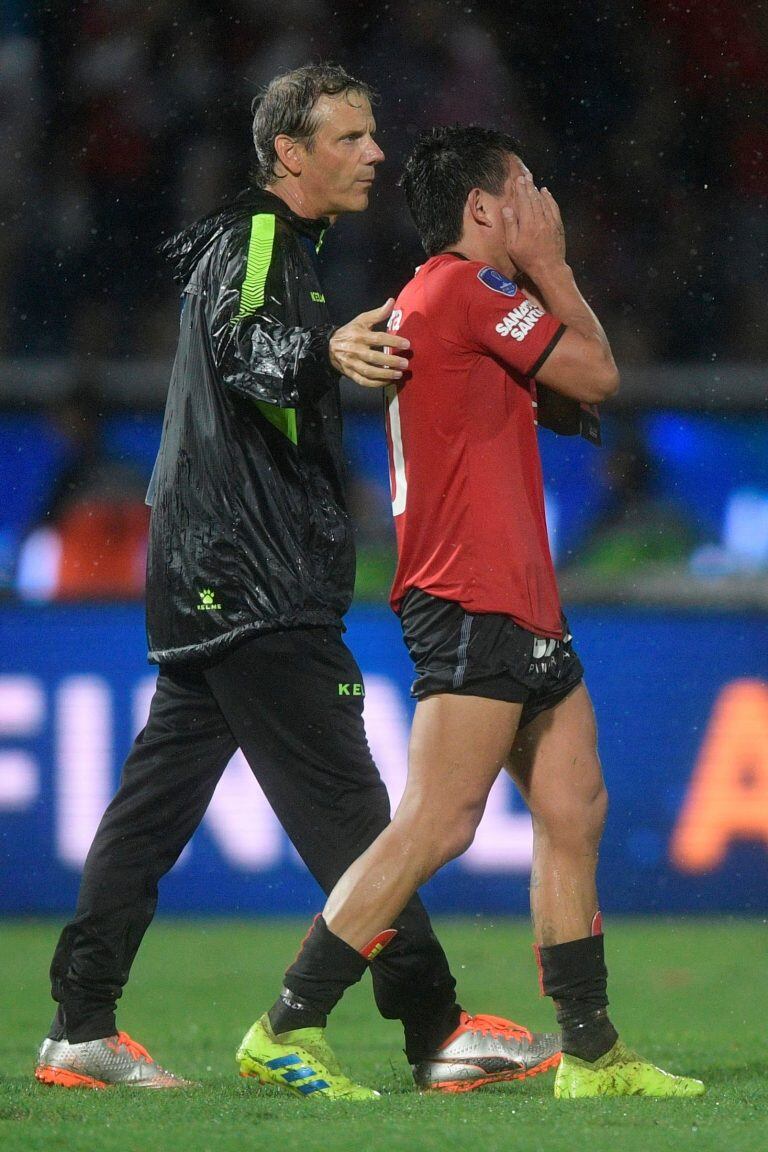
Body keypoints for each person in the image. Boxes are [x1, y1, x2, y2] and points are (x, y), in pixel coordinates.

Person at [35, 69, 560, 1098]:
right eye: (353, 137)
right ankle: (436, 1026)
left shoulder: (275, 246)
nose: (374, 153)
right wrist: (322, 349)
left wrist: (318, 355)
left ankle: (78, 1028)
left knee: (150, 815)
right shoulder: (261, 236)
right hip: (253, 581)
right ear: (291, 152)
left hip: (209, 576)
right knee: (356, 817)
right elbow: (248, 348)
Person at [250, 126, 706, 1100]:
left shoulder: (448, 305)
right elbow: (596, 374)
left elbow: (552, 399)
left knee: (574, 810)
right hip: (471, 597)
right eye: (528, 190)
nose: (542, 206)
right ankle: (288, 1021)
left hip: (522, 601)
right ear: (487, 210)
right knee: (438, 822)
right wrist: (552, 264)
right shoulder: (465, 286)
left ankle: (588, 1051)